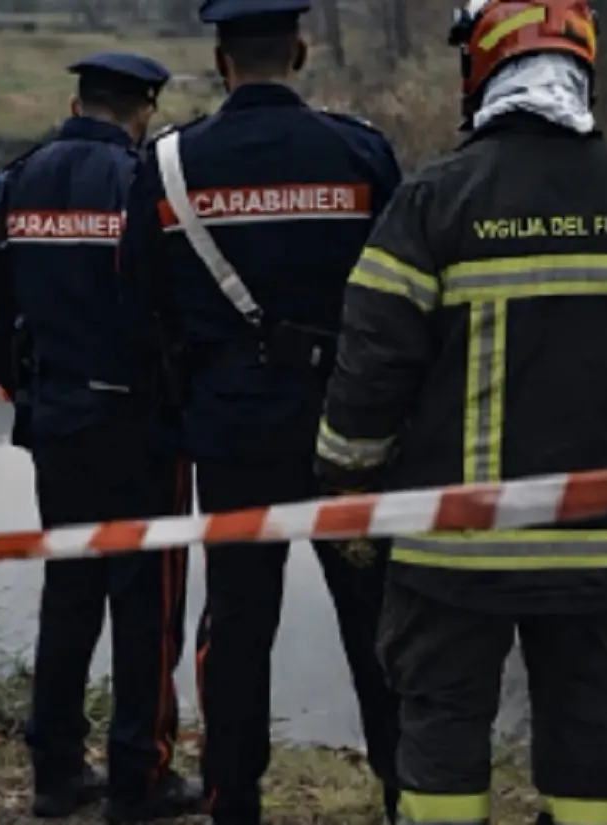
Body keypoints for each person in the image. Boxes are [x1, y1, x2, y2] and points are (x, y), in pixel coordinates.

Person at [313, 2, 607, 824]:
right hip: (604, 543)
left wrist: (348, 483)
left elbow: (371, 366)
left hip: (453, 547)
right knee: (585, 723)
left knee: (443, 722)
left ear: (481, 67)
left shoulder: (435, 199)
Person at [117, 1, 404, 821]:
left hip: (232, 427)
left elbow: (135, 303)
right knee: (377, 621)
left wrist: (187, 395)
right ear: (300, 51)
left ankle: (233, 800)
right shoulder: (360, 153)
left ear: (220, 60)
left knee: (238, 623)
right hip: (351, 428)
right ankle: (409, 794)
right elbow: (403, 299)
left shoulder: (169, 163)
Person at [0, 51, 201, 823]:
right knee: (146, 602)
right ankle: (138, 776)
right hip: (142, 428)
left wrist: (26, 382)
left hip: (57, 423)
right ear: (143, 111)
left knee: (70, 594)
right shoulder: (145, 184)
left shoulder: (14, 184)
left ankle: (55, 771)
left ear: (74, 104)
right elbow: (181, 305)